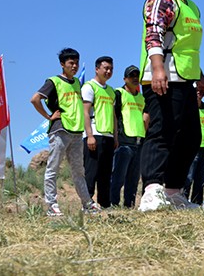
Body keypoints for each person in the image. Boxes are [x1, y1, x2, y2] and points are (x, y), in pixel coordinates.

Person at [139, 0, 204, 211]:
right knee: (162, 132)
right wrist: (158, 68)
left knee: (191, 136)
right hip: (164, 76)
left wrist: (201, 76)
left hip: (185, 78)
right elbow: (154, 34)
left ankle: (172, 192)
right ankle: (152, 191)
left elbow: (187, 46)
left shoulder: (190, 6)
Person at [29, 48, 99, 216]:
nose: (74, 66)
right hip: (60, 129)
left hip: (76, 132)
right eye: (70, 63)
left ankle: (87, 204)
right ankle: (52, 205)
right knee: (53, 168)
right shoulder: (53, 81)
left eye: (76, 63)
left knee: (78, 171)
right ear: (62, 64)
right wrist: (48, 116)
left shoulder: (77, 83)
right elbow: (35, 99)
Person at [82, 56, 116, 209]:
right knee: (91, 171)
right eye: (105, 68)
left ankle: (105, 204)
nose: (108, 71)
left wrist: (115, 136)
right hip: (94, 134)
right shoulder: (89, 87)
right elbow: (85, 112)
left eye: (111, 69)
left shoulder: (111, 91)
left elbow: (114, 116)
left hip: (108, 136)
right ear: (97, 69)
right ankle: (87, 203)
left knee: (105, 173)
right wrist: (89, 135)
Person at [110, 65, 147, 208]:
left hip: (139, 141)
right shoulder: (118, 93)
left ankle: (129, 205)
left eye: (137, 76)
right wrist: (115, 137)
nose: (135, 78)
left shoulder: (142, 98)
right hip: (124, 141)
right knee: (118, 176)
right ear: (125, 79)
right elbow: (114, 115)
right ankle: (113, 203)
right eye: (131, 76)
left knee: (133, 178)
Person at [184, 92, 204, 205]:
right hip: (191, 147)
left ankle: (197, 203)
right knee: (188, 177)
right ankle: (183, 201)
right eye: (196, 91)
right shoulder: (186, 107)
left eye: (201, 92)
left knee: (201, 179)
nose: (198, 94)